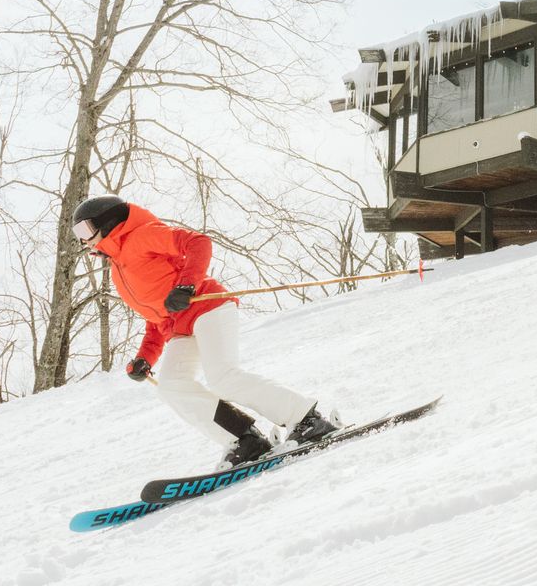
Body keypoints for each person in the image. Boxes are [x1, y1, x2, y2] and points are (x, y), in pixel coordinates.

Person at [73, 195, 339, 467]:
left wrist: (187, 285)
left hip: (207, 306)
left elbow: (198, 242)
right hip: (179, 328)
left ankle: (307, 418)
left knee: (223, 377)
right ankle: (245, 439)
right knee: (171, 386)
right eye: (76, 234)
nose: (82, 239)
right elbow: (155, 317)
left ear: (108, 221)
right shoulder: (119, 271)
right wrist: (145, 358)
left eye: (84, 229)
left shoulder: (142, 235)